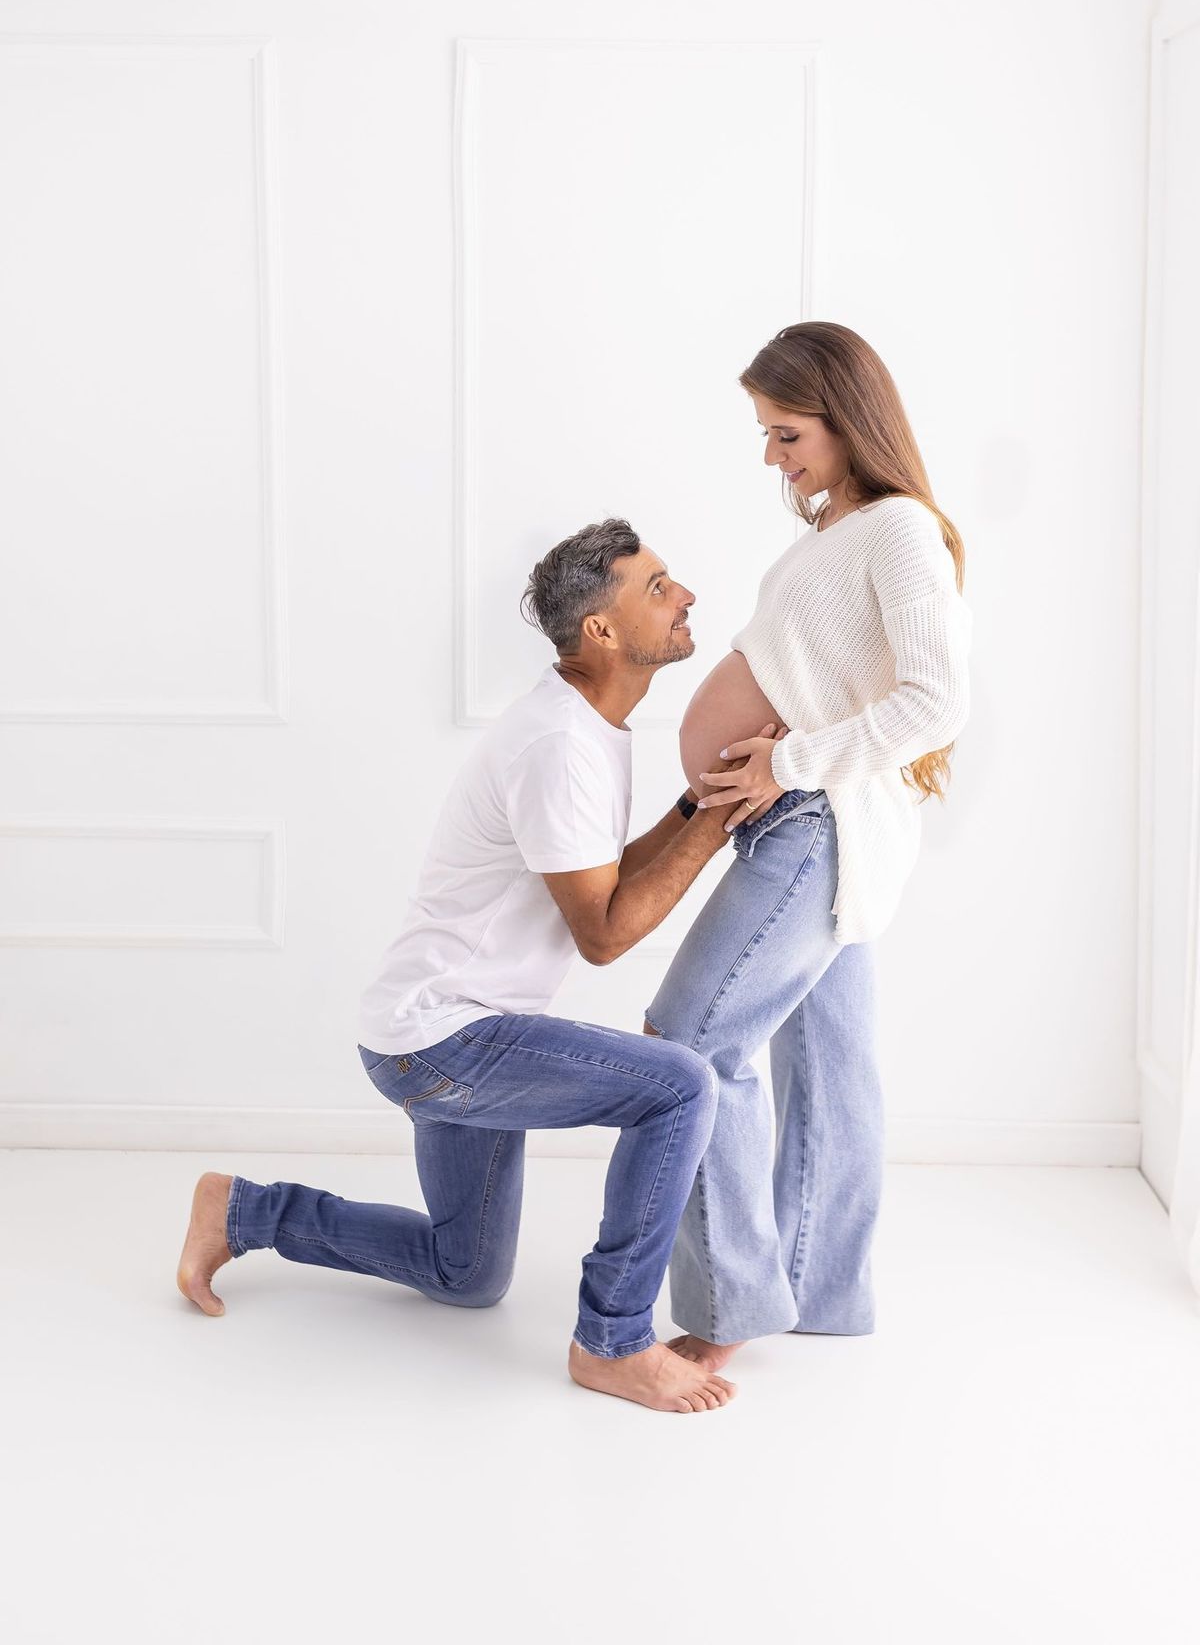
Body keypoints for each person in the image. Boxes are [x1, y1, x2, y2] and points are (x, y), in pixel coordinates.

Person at [175, 518, 776, 1414]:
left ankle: (244, 1211)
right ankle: (612, 1340)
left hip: (448, 1031)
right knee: (682, 1085)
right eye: (657, 586)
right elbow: (605, 934)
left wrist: (697, 802)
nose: (684, 595)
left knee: (465, 1273)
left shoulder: (585, 727)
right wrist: (720, 819)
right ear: (602, 632)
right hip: (449, 1042)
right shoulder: (558, 746)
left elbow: (606, 879)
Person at [645, 320, 973, 1369]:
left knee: (688, 1044)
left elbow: (936, 699)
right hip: (808, 827)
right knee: (830, 1068)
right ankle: (821, 1291)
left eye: (787, 434)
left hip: (815, 824)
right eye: (766, 435)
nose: (773, 458)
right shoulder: (840, 530)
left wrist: (785, 767)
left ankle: (730, 1305)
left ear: (848, 418)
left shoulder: (899, 530)